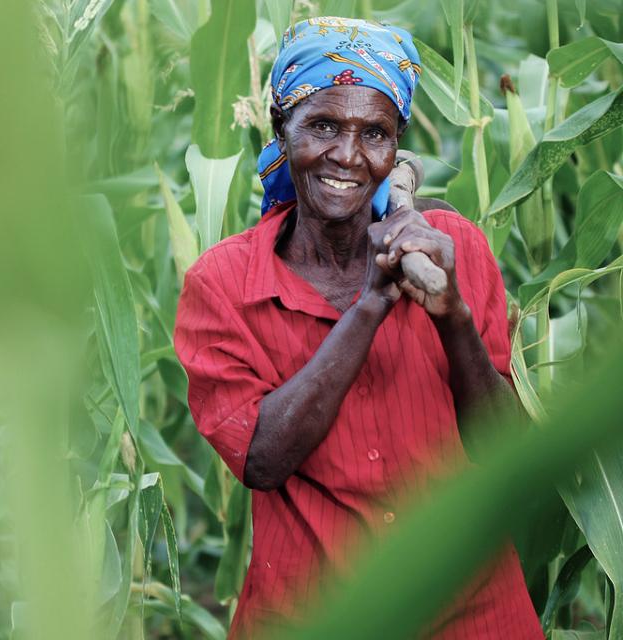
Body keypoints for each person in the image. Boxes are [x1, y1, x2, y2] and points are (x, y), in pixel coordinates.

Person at [173, 17, 544, 639]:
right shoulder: (224, 284)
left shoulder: (456, 252)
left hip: (473, 614)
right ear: (280, 126)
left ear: (395, 148)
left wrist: (452, 316)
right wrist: (371, 305)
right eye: (322, 126)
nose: (347, 156)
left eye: (373, 133)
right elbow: (262, 458)